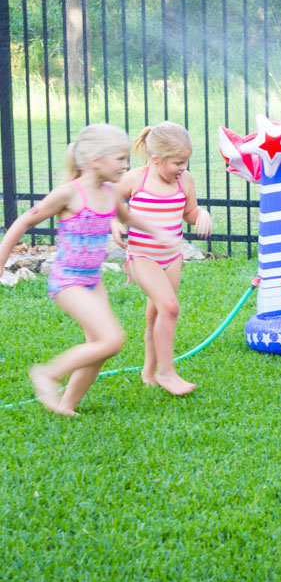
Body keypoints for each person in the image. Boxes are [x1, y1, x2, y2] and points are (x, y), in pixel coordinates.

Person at [0, 124, 175, 416]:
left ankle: (67, 405)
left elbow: (128, 217)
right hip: (68, 281)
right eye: (119, 158)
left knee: (100, 346)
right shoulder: (69, 194)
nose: (125, 164)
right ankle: (46, 373)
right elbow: (23, 222)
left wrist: (159, 233)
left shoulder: (109, 193)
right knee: (112, 340)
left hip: (93, 280)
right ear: (95, 159)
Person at [114, 121, 212, 396]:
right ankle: (166, 372)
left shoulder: (185, 180)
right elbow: (109, 200)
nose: (183, 168)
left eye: (186, 162)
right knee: (170, 307)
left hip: (172, 258)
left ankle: (149, 369)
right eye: (178, 163)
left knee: (156, 313)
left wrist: (201, 215)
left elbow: (189, 212)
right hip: (142, 256)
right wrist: (114, 223)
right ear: (156, 159)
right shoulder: (136, 179)